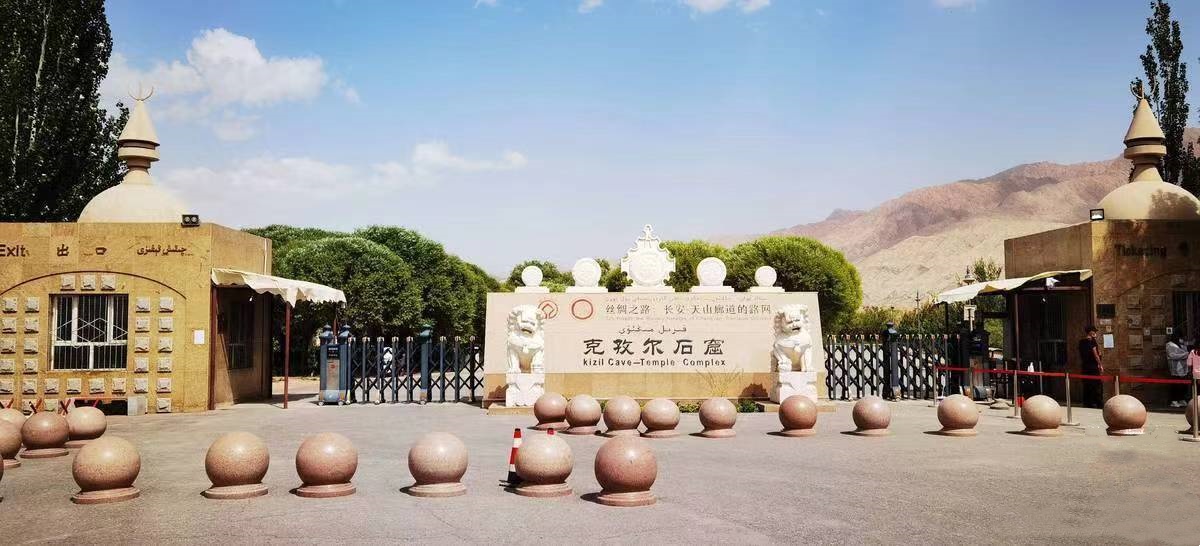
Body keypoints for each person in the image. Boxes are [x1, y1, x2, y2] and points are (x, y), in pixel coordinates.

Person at [1078, 326, 1103, 409]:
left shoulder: (1081, 342)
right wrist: (1100, 365)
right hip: (1093, 366)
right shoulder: (1092, 341)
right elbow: (1096, 354)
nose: (1095, 333)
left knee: (1087, 385)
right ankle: (1098, 403)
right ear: (1090, 332)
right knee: (1097, 385)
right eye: (1094, 331)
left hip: (1085, 366)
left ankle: (1087, 403)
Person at [1166, 334, 1190, 407]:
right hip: (1175, 369)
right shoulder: (1170, 345)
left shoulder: (1181, 345)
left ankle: (1181, 399)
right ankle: (1174, 400)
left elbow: (1185, 352)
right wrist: (1185, 354)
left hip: (1183, 368)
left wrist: (1185, 351)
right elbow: (1172, 355)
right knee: (1176, 385)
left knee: (1183, 386)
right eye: (1180, 338)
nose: (1181, 339)